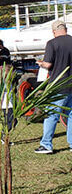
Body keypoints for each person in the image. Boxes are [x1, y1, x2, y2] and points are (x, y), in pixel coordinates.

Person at [35, 20, 72, 154]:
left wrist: (41, 63)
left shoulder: (52, 43)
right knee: (71, 115)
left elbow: (48, 65)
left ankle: (46, 144)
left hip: (58, 85)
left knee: (51, 115)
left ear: (54, 31)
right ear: (65, 29)